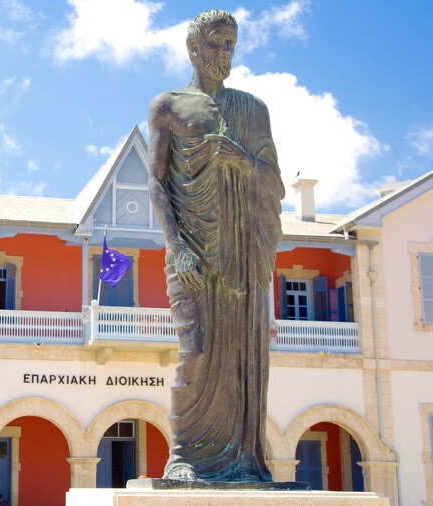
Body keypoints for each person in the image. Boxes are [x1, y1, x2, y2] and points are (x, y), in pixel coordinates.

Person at [147, 9, 284, 482]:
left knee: (239, 356)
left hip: (239, 255)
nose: (223, 53)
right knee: (197, 349)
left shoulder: (253, 109)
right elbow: (155, 183)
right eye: (214, 43)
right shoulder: (168, 105)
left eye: (230, 45)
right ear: (192, 48)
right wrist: (176, 246)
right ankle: (184, 455)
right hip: (190, 253)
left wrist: (243, 161)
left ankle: (240, 459)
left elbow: (273, 181)